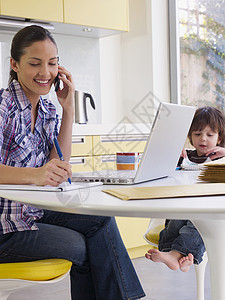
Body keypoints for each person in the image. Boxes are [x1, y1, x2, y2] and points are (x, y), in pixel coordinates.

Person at [0, 25, 145, 300]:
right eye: (35, 63)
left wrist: (68, 110)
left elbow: (58, 168)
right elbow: (41, 175)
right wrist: (35, 175)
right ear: (15, 65)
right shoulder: (3, 107)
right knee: (83, 246)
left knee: (100, 223)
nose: (45, 73)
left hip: (31, 213)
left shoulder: (46, 110)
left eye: (52, 63)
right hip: (4, 228)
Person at [145, 106, 225, 272]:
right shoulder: (184, 157)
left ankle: (177, 256)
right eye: (197, 134)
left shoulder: (222, 157)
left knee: (199, 223)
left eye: (210, 135)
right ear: (190, 136)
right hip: (183, 207)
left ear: (219, 138)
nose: (203, 139)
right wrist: (171, 153)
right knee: (176, 218)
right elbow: (158, 166)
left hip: (210, 214)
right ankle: (177, 256)